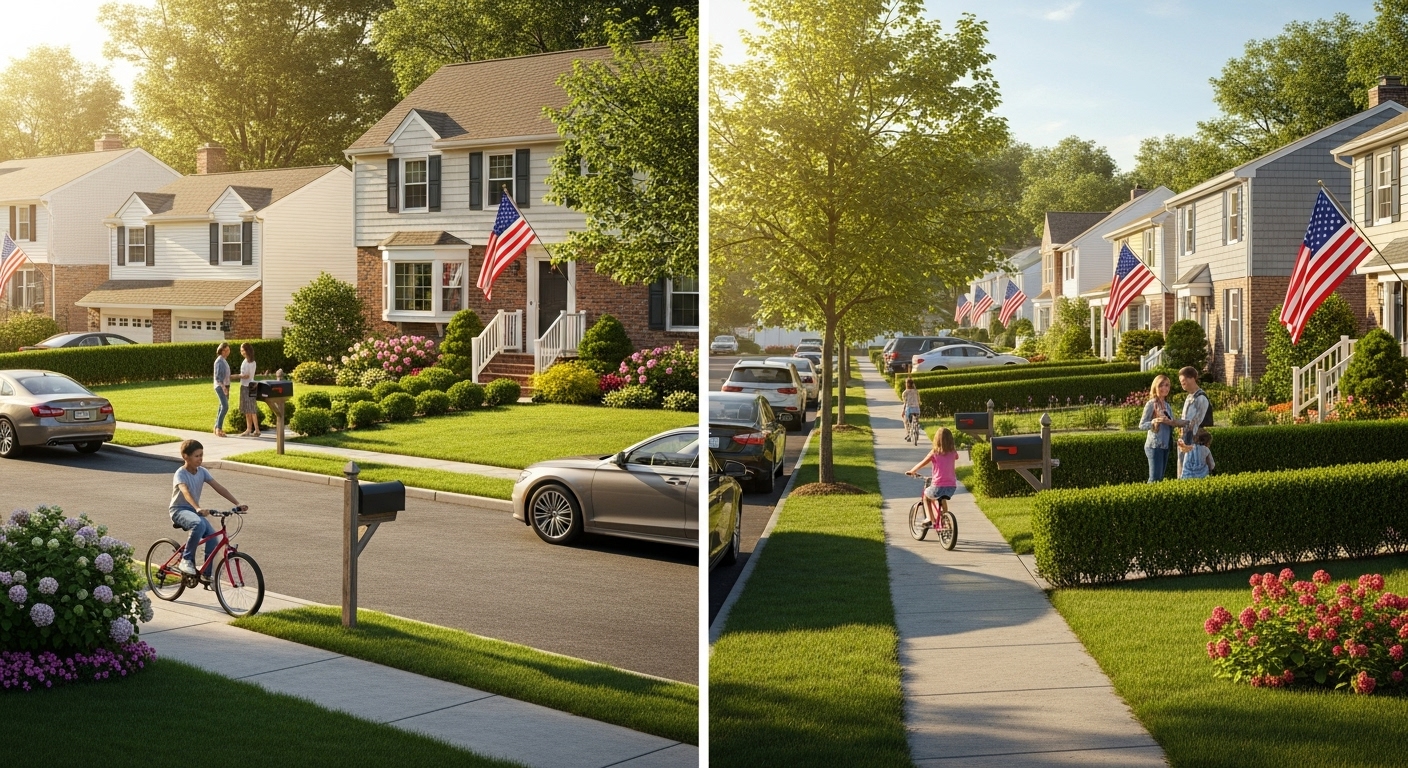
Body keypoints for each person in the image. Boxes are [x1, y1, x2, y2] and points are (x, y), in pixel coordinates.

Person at [169, 439, 246, 576]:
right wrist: (197, 508)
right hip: (179, 510)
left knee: (212, 537)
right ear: (185, 457)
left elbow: (219, 487)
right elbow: (185, 492)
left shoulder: (202, 471)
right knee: (198, 524)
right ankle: (186, 560)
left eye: (201, 455)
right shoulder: (180, 473)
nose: (200, 459)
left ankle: (207, 575)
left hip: (194, 511)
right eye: (196, 456)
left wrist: (237, 503)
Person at [905, 426, 958, 529]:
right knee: (942, 498)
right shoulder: (953, 452)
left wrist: (912, 471)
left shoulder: (935, 453)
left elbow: (922, 463)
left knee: (926, 496)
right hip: (951, 486)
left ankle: (929, 518)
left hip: (938, 484)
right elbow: (955, 458)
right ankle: (945, 518)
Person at [1172, 366, 1210, 475]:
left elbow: (1197, 422)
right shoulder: (1189, 397)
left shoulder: (1201, 398)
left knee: (1190, 471)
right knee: (1181, 468)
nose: (1182, 383)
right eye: (1180, 381)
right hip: (1184, 437)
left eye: (1183, 380)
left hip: (1193, 440)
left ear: (1192, 378)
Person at [1139, 374, 1175, 482]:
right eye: (1161, 385)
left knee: (1160, 479)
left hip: (1166, 445)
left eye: (1167, 385)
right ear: (1155, 387)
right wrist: (1154, 422)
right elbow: (1141, 425)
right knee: (1154, 479)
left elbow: (1171, 423)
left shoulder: (1167, 406)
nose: (1164, 388)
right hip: (1154, 446)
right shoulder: (1151, 404)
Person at [237, 343, 259, 437]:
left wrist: (236, 376)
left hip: (250, 386)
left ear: (247, 350)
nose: (241, 352)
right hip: (244, 385)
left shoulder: (252, 363)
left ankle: (257, 430)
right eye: (241, 350)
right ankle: (248, 429)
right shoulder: (244, 361)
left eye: (243, 350)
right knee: (247, 409)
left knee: (252, 409)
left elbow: (248, 376)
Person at [213, 342, 232, 438]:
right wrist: (224, 388)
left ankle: (216, 427)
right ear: (222, 351)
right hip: (221, 386)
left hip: (225, 386)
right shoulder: (220, 361)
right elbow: (218, 377)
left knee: (221, 406)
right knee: (225, 406)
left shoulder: (223, 360)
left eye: (228, 349)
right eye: (226, 350)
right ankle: (219, 429)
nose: (228, 351)